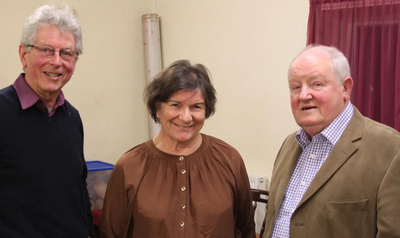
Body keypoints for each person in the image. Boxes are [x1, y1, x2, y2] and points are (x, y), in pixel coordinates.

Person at [99, 60, 256, 238]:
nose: (186, 117)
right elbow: (110, 233)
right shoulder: (129, 166)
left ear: (207, 110)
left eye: (196, 107)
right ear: (158, 108)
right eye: (175, 105)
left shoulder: (229, 159)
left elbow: (246, 230)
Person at [263, 44, 400, 238]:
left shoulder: (390, 149)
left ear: (345, 88)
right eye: (295, 87)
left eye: (316, 84)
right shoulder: (289, 145)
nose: (304, 95)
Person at [0, 5, 93, 238]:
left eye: (67, 53)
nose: (57, 61)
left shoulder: (72, 118)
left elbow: (79, 190)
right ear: (24, 54)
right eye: (46, 50)